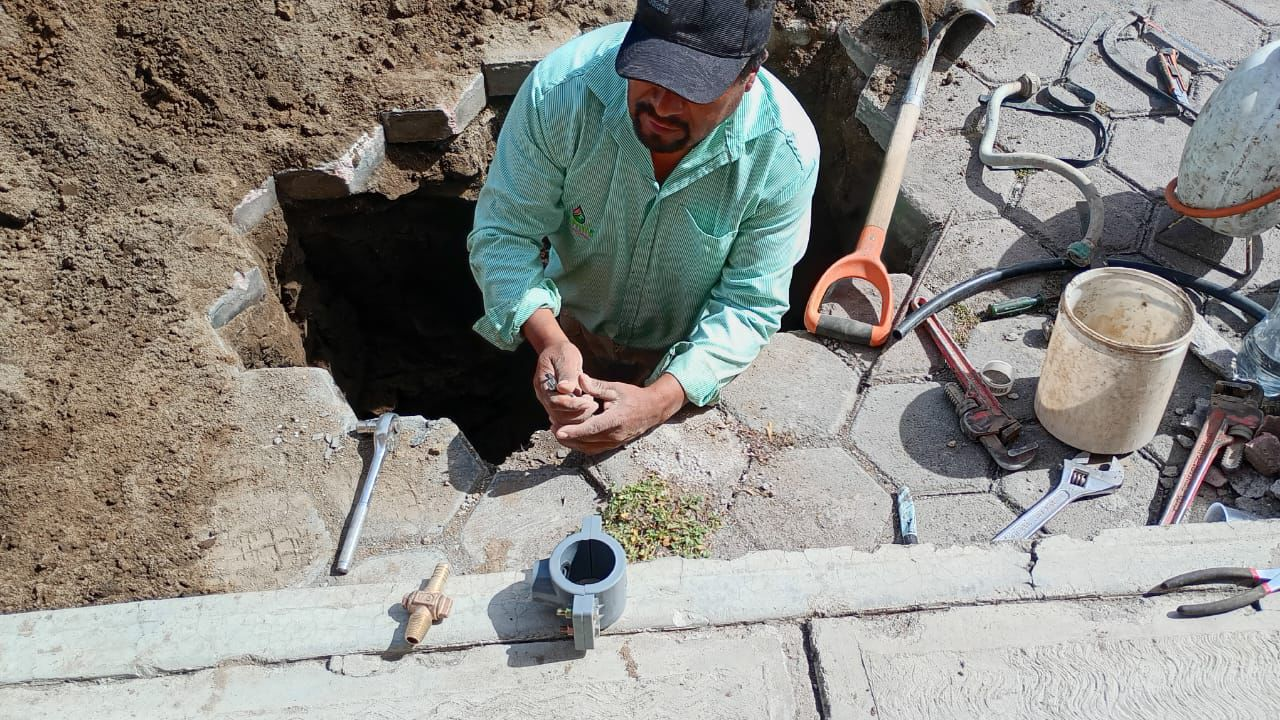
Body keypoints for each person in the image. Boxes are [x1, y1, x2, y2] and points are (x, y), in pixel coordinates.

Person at [467, 0, 819, 454]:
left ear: (748, 77)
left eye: (695, 88)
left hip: (684, 346)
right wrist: (550, 340)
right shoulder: (562, 93)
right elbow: (504, 233)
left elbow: (748, 302)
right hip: (573, 319)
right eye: (651, 71)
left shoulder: (782, 153)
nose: (663, 105)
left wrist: (659, 400)